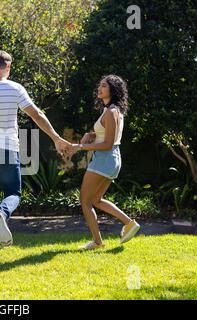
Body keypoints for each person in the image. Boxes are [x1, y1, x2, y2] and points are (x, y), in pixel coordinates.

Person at [0, 50, 70, 252]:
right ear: (8, 67)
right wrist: (55, 137)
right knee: (14, 192)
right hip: (7, 147)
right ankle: (2, 212)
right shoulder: (15, 88)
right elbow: (37, 115)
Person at [68, 75, 140, 250]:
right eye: (99, 85)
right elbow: (105, 136)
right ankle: (128, 224)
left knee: (85, 201)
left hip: (105, 159)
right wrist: (90, 135)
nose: (99, 88)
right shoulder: (111, 110)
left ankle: (98, 242)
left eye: (104, 86)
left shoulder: (111, 112)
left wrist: (81, 146)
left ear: (112, 90)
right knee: (96, 200)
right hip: (110, 160)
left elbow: (108, 143)